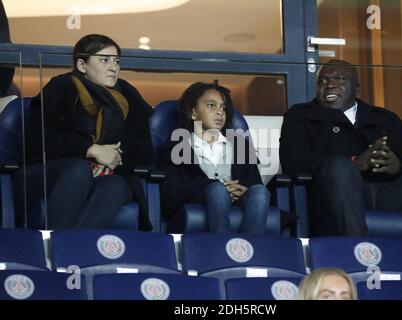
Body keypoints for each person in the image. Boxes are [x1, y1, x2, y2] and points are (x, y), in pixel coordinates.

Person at [280, 59, 402, 243]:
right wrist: (354, 162)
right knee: (339, 167)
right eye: (323, 81)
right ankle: (359, 251)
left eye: (340, 78)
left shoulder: (385, 118)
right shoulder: (300, 116)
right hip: (336, 197)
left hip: (389, 194)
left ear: (357, 90)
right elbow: (293, 162)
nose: (330, 85)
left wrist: (397, 164)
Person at [14, 34, 153, 230]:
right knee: (79, 169)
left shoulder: (128, 95)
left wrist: (115, 156)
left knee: (117, 185)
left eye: (117, 61)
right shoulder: (60, 88)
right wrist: (91, 150)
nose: (114, 67)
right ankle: (55, 245)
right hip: (49, 173)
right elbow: (38, 143)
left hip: (106, 175)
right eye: (104, 60)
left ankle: (66, 249)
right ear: (82, 65)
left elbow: (145, 149)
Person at [160, 81, 270, 234]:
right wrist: (212, 186)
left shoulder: (239, 144)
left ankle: (252, 247)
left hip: (238, 201)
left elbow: (254, 182)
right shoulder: (178, 144)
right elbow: (171, 192)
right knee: (217, 190)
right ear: (192, 113)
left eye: (223, 108)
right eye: (211, 105)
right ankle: (221, 245)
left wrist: (242, 189)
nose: (220, 112)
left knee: (259, 191)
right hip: (198, 200)